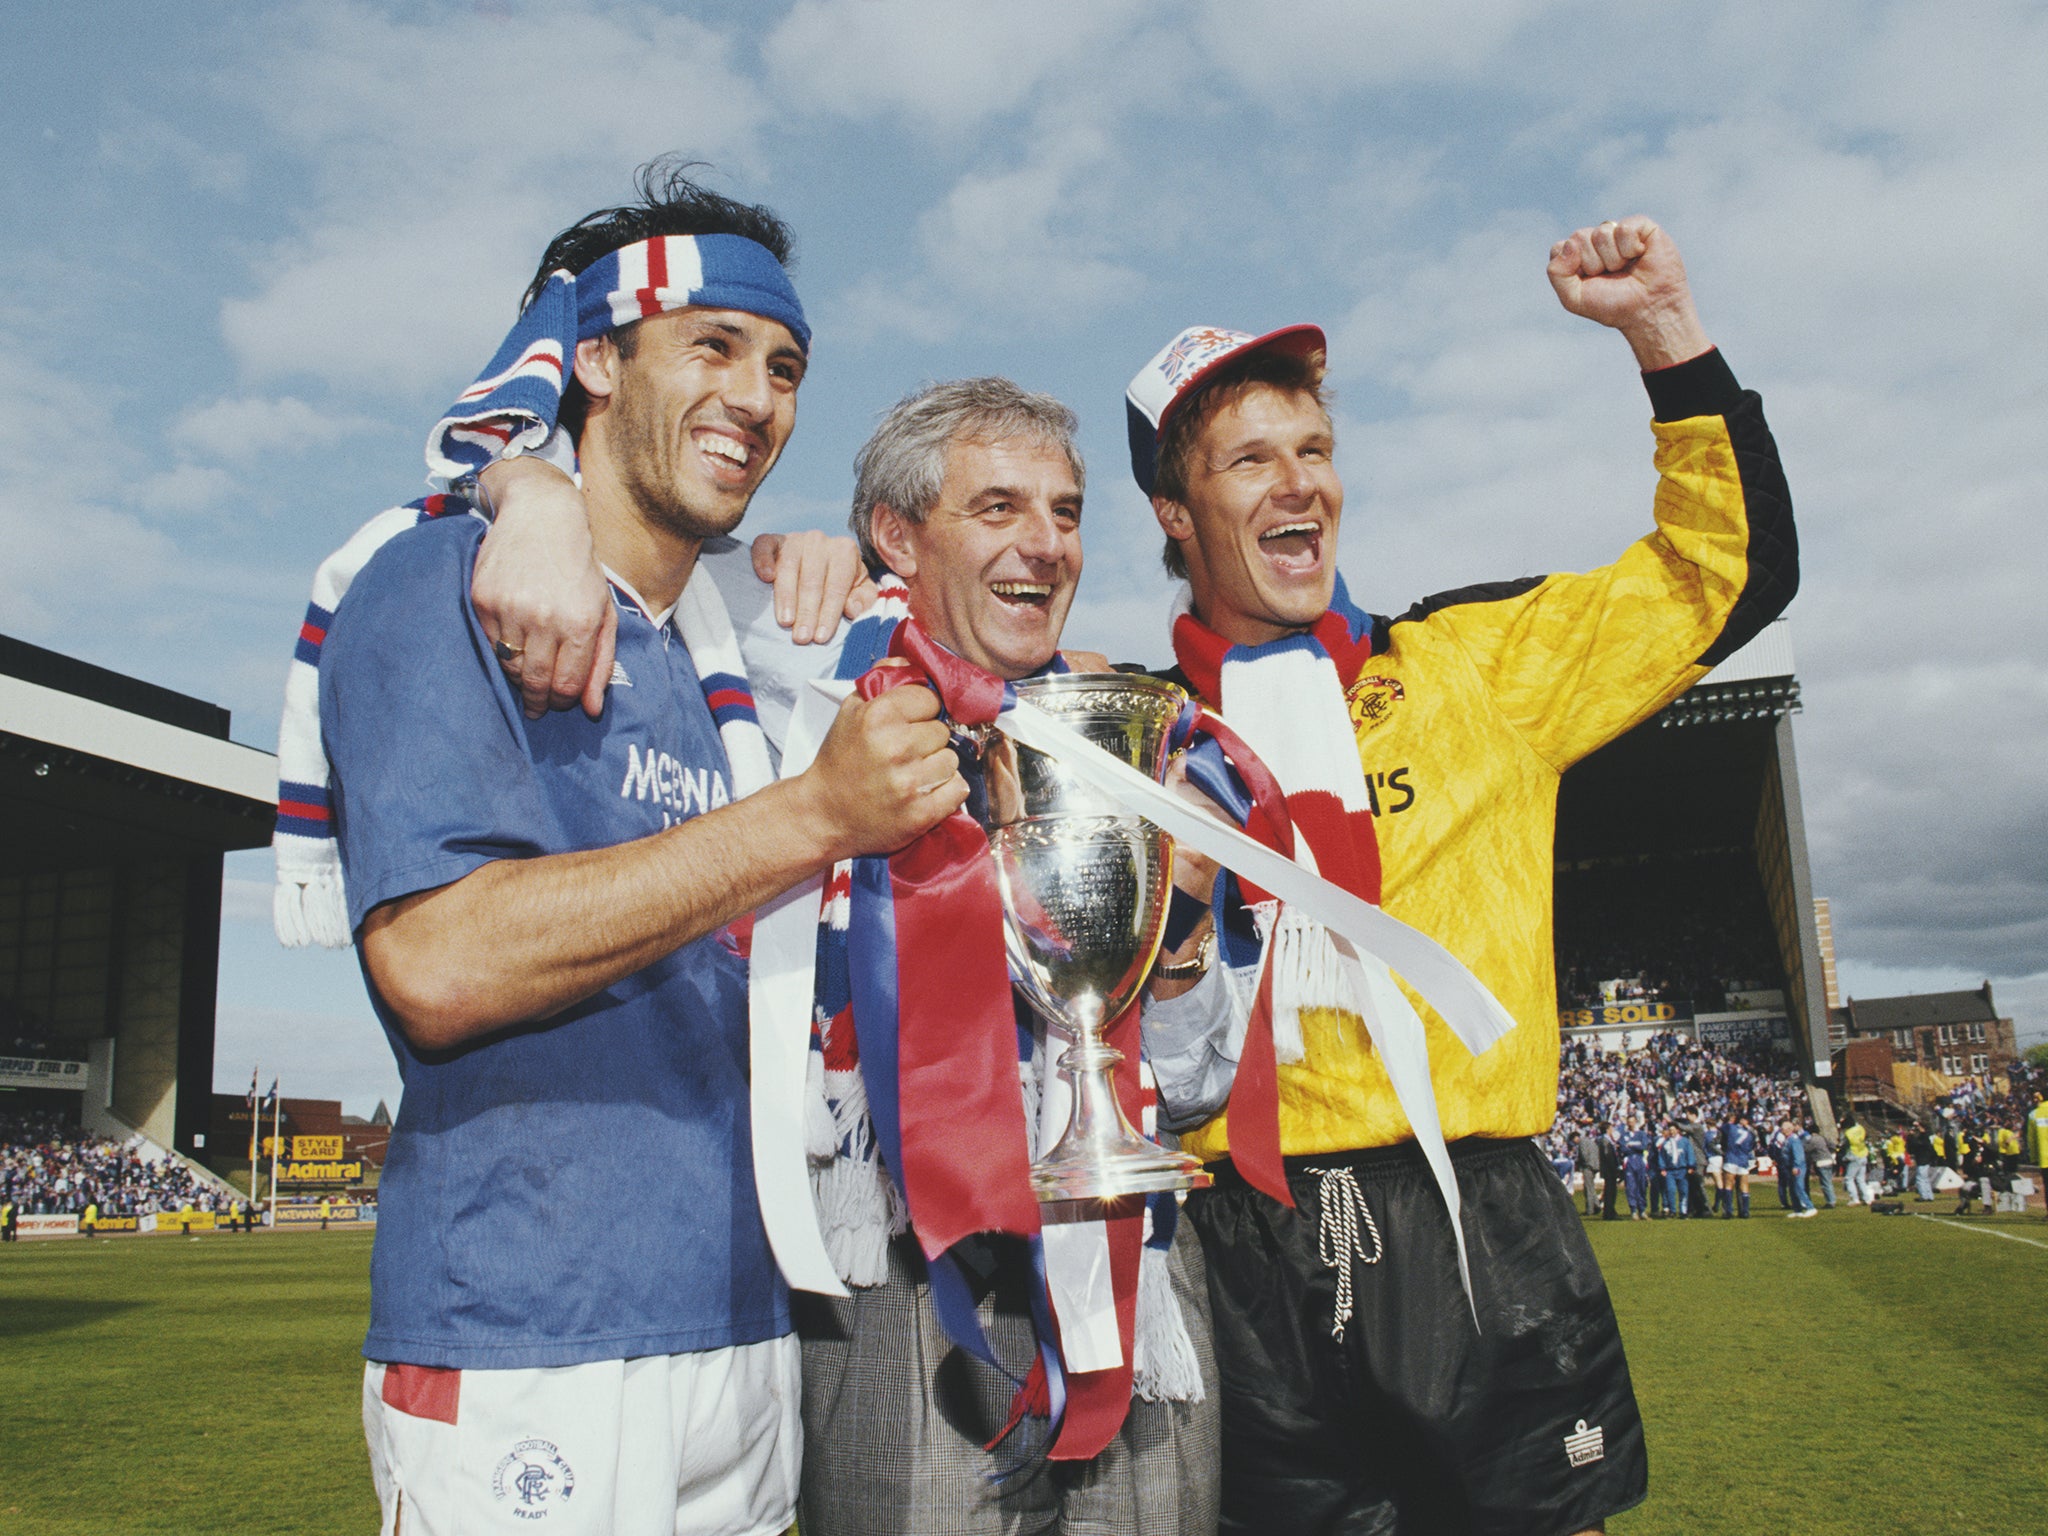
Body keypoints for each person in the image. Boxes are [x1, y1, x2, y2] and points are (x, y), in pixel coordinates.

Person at [313, 170, 962, 1536]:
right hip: (530, 1333)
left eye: (785, 364)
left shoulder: (729, 653)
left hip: (746, 1326)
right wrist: (810, 819)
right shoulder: (443, 585)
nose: (760, 395)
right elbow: (436, 961)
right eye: (714, 345)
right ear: (595, 357)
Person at [1130, 215, 1796, 1533]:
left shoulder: (1477, 666)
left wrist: (1665, 334)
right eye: (1250, 459)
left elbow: (1724, 573)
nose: (1298, 486)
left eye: (1314, 451)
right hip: (1235, 1245)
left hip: (1474, 1220)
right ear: (1174, 508)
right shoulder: (1132, 735)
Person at [792, 378, 1219, 1536]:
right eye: (997, 507)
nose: (1045, 543)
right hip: (903, 1271)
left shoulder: (1118, 735)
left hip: (1126, 1262)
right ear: (895, 534)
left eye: (1066, 512)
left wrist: (1174, 930)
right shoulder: (807, 710)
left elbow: (1192, 1084)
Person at [1721, 1114, 1757, 1219]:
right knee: (1744, 1185)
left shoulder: (1731, 1127)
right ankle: (1745, 1211)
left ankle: (1729, 1211)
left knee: (1728, 1184)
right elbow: (1751, 1146)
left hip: (1731, 1157)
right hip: (1743, 1159)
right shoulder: (1750, 1134)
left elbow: (1723, 1129)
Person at [1840, 1115, 1871, 1206]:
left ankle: (1854, 1198)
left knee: (1849, 1178)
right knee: (1861, 1179)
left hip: (1854, 1155)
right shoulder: (1860, 1128)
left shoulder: (1848, 1133)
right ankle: (1867, 1199)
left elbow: (1844, 1143)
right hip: (1863, 1153)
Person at [1576, 1119, 1603, 1217]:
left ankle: (1590, 1209)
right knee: (1591, 1187)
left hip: (1588, 1166)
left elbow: (1584, 1155)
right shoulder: (1591, 1141)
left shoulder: (1582, 1142)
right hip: (1595, 1165)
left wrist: (1582, 1165)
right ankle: (1596, 1205)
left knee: (1588, 1188)